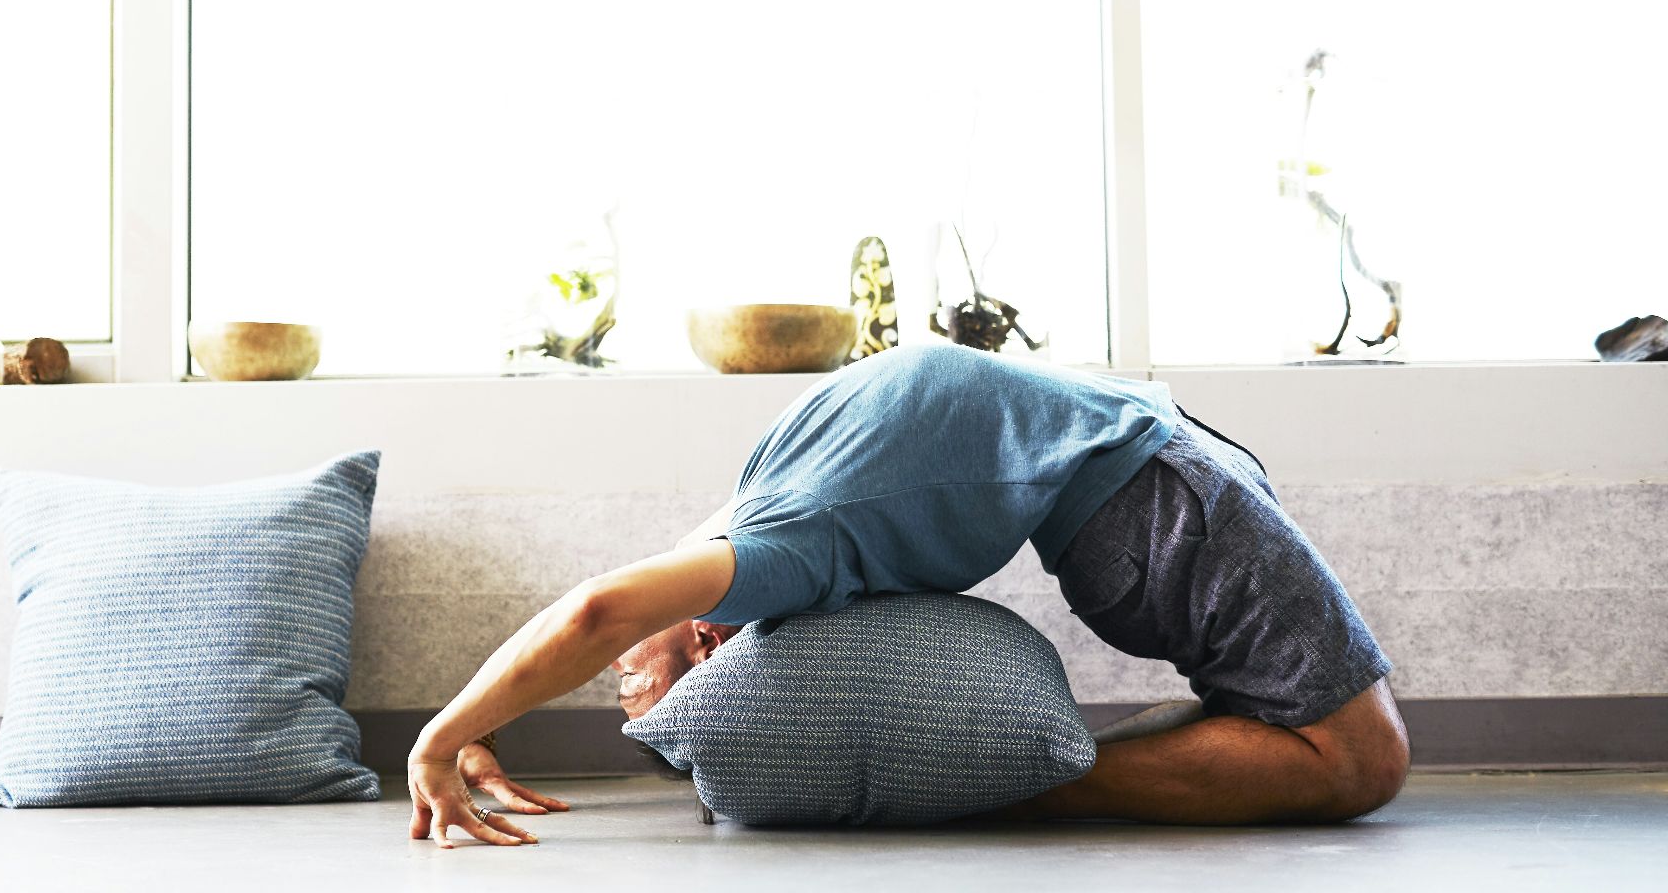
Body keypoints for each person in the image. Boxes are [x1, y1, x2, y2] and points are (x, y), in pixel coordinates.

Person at [408, 345, 1408, 847]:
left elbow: (594, 612)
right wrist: (481, 718)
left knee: (1350, 757)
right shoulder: (767, 504)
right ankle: (1036, 783)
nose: (619, 680)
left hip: (1151, 489)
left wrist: (441, 735)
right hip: (1149, 485)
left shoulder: (775, 538)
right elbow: (606, 615)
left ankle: (1045, 784)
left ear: (708, 640)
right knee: (1354, 756)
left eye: (630, 685)